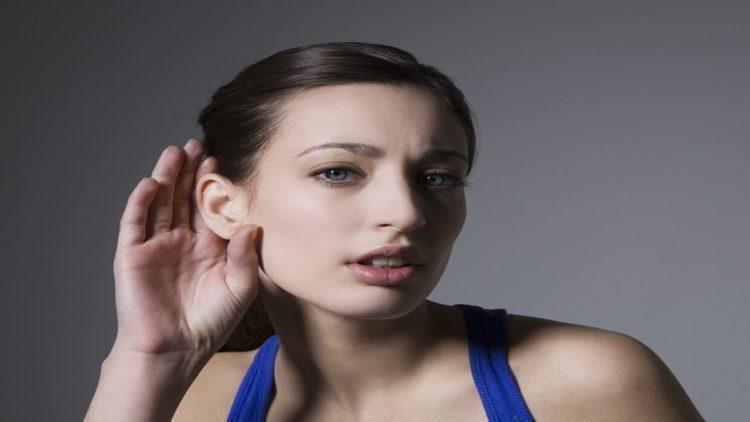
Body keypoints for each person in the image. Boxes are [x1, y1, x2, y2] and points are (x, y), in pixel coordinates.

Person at [84, 41, 704, 421]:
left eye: (438, 178)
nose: (407, 213)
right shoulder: (190, 400)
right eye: (337, 172)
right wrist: (150, 359)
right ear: (223, 206)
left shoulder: (588, 382)